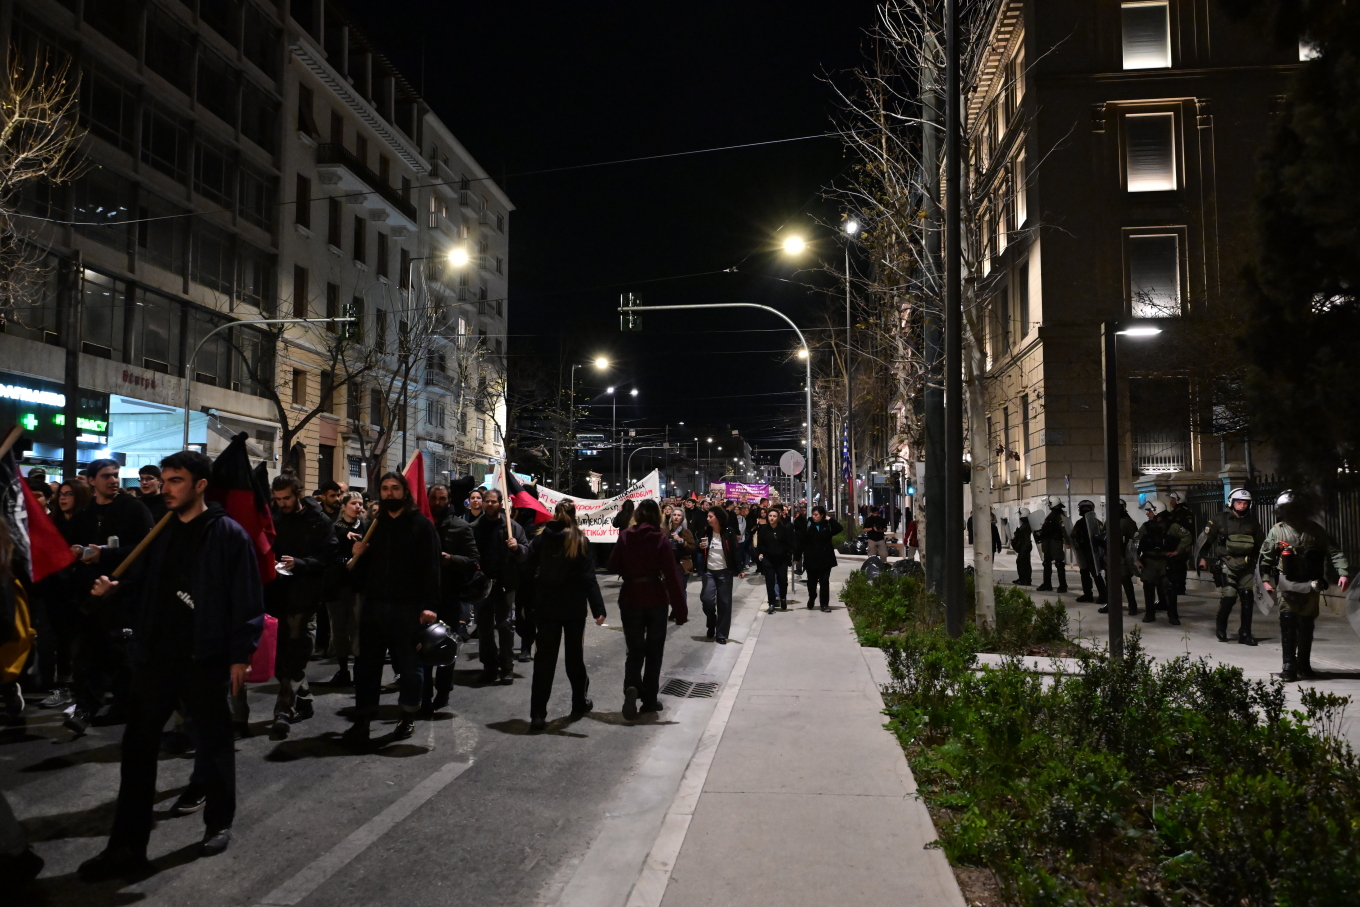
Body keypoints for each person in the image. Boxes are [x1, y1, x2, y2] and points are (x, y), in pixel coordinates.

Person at [78, 451, 264, 879]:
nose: (166, 488)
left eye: (176, 480)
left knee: (214, 743)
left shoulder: (227, 535)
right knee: (138, 750)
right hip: (155, 657)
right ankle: (126, 847)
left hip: (204, 657)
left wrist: (240, 655)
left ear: (200, 485)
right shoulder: (159, 530)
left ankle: (218, 822)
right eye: (164, 480)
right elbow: (144, 584)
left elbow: (247, 600)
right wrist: (115, 589)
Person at [344, 472, 441, 748]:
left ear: (405, 492)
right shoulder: (375, 525)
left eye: (394, 488)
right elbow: (360, 575)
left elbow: (431, 569)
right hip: (375, 607)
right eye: (384, 489)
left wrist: (431, 606)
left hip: (408, 609)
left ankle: (407, 715)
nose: (389, 493)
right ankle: (363, 721)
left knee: (410, 668)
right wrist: (358, 554)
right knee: (367, 667)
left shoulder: (421, 526)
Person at [65, 459, 156, 735]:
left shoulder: (134, 510)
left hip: (124, 596)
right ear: (92, 481)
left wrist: (109, 558)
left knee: (121, 654)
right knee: (87, 654)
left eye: (116, 475)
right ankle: (86, 707)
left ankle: (121, 706)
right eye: (107, 476)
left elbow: (145, 551)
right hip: (91, 596)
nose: (114, 481)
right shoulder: (84, 515)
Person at [257, 474, 336, 739]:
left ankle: (282, 711)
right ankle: (304, 698)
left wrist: (300, 563)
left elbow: (327, 557)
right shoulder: (275, 519)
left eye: (287, 498)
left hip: (305, 598)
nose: (282, 503)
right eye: (278, 499)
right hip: (277, 597)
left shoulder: (318, 522)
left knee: (295, 655)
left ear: (298, 493)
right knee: (279, 658)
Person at [527, 502, 606, 730]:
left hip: (546, 607)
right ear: (574, 516)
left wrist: (528, 602)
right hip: (573, 608)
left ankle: (538, 714)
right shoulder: (579, 540)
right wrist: (598, 608)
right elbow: (588, 578)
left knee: (544, 661)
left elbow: (528, 571)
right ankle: (578, 702)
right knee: (574, 658)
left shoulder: (541, 538)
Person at [1259, 490, 1350, 681]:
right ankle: (1288, 666)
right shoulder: (1278, 530)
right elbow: (1266, 557)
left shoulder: (1315, 530)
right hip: (1288, 585)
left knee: (1307, 625)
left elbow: (1333, 551)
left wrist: (1343, 572)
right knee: (1288, 623)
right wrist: (1265, 580)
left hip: (1312, 585)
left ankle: (1304, 664)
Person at [610, 500, 686, 718]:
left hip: (631, 596)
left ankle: (632, 686)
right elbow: (672, 575)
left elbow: (612, 564)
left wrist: (629, 568)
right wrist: (680, 610)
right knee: (654, 651)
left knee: (634, 649)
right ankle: (650, 699)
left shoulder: (625, 536)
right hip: (655, 597)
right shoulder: (660, 538)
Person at [471, 489, 528, 684]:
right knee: (485, 628)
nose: (489, 504)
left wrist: (517, 547)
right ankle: (489, 667)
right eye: (486, 501)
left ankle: (506, 667)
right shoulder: (474, 528)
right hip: (483, 585)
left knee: (505, 626)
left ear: (501, 504)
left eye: (493, 502)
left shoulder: (512, 527)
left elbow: (525, 553)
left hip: (506, 584)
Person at [1196, 488, 1265, 645]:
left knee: (1247, 597)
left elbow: (1261, 545)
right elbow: (1205, 540)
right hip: (1227, 563)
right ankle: (1221, 627)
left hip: (1247, 565)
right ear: (1231, 502)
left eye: (1245, 503)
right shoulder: (1220, 520)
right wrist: (1202, 558)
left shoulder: (1253, 522)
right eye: (1239, 502)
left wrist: (1263, 564)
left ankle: (1245, 633)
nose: (1242, 506)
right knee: (1229, 597)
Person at [428, 500, 479, 712]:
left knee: (445, 644)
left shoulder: (461, 526)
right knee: (421, 646)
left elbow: (473, 560)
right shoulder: (422, 524)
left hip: (449, 595)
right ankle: (421, 693)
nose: (437, 502)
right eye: (434, 498)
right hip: (422, 595)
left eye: (442, 498)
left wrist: (451, 559)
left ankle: (442, 690)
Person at [326, 491, 367, 686]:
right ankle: (343, 670)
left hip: (359, 586)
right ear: (343, 506)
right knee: (340, 629)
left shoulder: (367, 528)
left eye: (360, 503)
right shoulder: (334, 528)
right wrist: (345, 561)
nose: (357, 507)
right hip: (338, 586)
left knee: (358, 627)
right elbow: (329, 555)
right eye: (353, 503)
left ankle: (359, 668)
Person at [1136, 499, 1190, 624]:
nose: (1147, 513)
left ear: (1157, 511)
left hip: (1166, 562)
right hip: (1149, 562)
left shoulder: (1172, 526)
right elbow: (1135, 543)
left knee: (1170, 589)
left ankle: (1173, 615)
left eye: (1149, 511)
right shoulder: (1145, 526)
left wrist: (1177, 551)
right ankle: (1149, 614)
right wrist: (1137, 559)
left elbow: (1187, 536)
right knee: (1148, 587)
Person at [698, 507, 744, 640]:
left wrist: (740, 569)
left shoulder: (728, 532)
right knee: (707, 599)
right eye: (707, 516)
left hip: (725, 572)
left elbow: (736, 551)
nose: (708, 519)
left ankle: (721, 634)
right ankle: (711, 622)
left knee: (724, 603)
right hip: (709, 572)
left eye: (710, 516)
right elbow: (697, 545)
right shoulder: (706, 532)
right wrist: (699, 546)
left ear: (718, 518)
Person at [1099, 501, 1140, 616]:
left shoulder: (1128, 522)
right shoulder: (1109, 521)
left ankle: (1133, 606)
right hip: (1110, 556)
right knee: (1110, 582)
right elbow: (1104, 536)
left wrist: (1133, 557)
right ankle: (1111, 604)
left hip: (1122, 556)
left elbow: (1134, 540)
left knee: (1126, 581)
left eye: (1119, 507)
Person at [800, 505, 842, 612]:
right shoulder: (808, 524)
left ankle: (824, 604)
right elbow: (801, 540)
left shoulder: (827, 525)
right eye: (813, 514)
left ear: (822, 515)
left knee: (824, 581)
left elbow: (839, 528)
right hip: (811, 558)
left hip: (825, 558)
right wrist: (797, 556)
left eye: (816, 515)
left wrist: (830, 519)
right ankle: (812, 597)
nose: (814, 517)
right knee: (811, 582)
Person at [755, 506, 795, 611]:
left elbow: (789, 544)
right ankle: (771, 603)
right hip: (768, 559)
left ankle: (782, 597)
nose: (772, 518)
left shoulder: (784, 529)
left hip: (781, 560)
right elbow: (760, 544)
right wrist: (761, 553)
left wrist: (786, 553)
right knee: (770, 581)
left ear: (778, 517)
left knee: (782, 580)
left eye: (774, 516)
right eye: (770, 516)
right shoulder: (763, 530)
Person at [1071, 500, 1108, 604]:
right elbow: (1073, 535)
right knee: (1084, 573)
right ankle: (1087, 594)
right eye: (1084, 508)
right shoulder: (1079, 523)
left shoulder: (1097, 522)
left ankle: (1103, 595)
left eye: (1087, 508)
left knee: (1096, 574)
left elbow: (1101, 536)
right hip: (1083, 552)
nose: (1086, 510)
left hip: (1094, 552)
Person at [1034, 501, 1069, 593]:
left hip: (1055, 541)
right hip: (1048, 542)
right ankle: (1047, 584)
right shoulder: (1052, 515)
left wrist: (1068, 541)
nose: (1049, 506)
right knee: (1046, 563)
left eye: (1050, 504)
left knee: (1059, 563)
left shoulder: (1059, 515)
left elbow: (1064, 528)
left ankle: (1062, 585)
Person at [666, 507, 696, 609]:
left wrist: (681, 540)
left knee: (680, 590)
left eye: (679, 515)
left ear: (682, 518)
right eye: (674, 515)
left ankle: (681, 613)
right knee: (668, 591)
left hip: (681, 565)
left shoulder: (686, 532)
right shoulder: (666, 530)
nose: (676, 517)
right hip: (668, 565)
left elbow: (692, 548)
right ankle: (675, 610)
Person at [1165, 492, 1195, 594]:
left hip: (1181, 544)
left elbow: (1190, 530)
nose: (1171, 502)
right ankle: (1174, 585)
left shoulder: (1186, 514)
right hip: (1172, 544)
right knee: (1172, 566)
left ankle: (1181, 587)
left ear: (1178, 501)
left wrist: (1189, 545)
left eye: (1173, 499)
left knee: (1180, 566)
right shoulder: (1172, 513)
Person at [1011, 507, 1033, 586]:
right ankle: (1023, 579)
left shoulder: (1026, 526)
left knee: (1023, 563)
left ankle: (1024, 579)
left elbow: (1025, 538)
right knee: (1024, 563)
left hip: (1024, 547)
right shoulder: (1025, 525)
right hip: (1024, 547)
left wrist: (1023, 548)